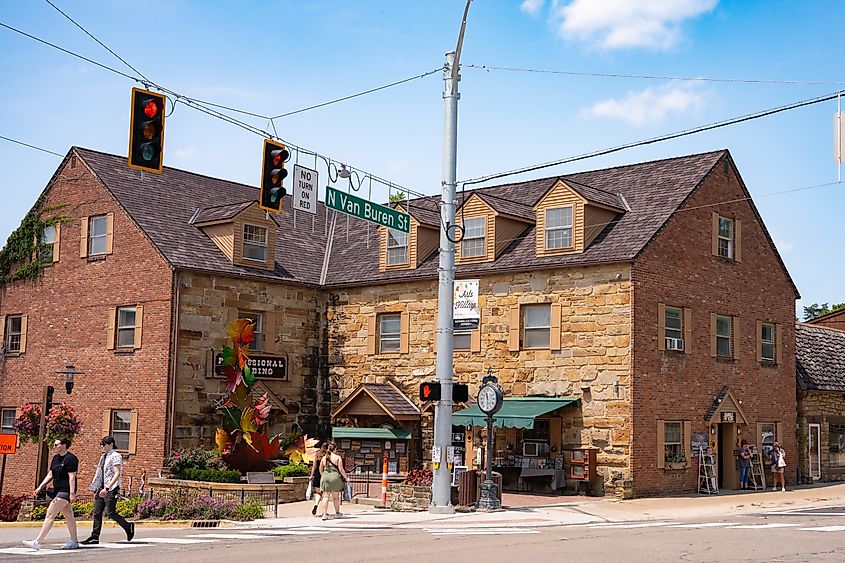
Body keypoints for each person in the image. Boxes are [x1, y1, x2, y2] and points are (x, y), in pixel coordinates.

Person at [23, 437, 80, 551]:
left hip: (65, 491)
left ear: (64, 445)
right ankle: (74, 541)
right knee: (69, 516)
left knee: (50, 514)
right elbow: (50, 475)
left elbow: (72, 476)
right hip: (57, 490)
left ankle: (38, 541)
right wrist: (40, 487)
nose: (54, 447)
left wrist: (72, 493)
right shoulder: (55, 458)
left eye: (56, 444)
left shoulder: (71, 458)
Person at [81, 436, 135, 545]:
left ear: (110, 444)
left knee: (111, 513)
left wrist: (108, 488)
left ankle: (128, 526)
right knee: (97, 512)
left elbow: (117, 473)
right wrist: (96, 487)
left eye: (104, 444)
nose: (102, 447)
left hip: (111, 488)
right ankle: (94, 537)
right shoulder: (103, 457)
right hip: (101, 488)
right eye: (101, 444)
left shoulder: (116, 456)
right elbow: (99, 473)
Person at [318, 442, 348, 521]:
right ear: (335, 449)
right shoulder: (338, 457)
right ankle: (337, 513)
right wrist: (346, 478)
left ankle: (324, 514)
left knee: (325, 496)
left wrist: (323, 475)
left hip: (325, 477)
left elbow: (320, 469)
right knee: (335, 497)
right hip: (335, 477)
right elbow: (341, 469)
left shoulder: (324, 458)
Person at [308, 444, 328, 516]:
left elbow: (314, 466)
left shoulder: (317, 455)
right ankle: (324, 511)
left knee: (318, 493)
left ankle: (316, 504)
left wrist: (311, 475)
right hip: (324, 475)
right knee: (325, 495)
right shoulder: (327, 456)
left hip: (317, 475)